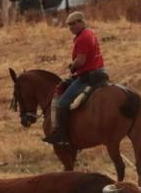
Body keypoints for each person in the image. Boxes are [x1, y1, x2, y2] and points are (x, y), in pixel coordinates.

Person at [43, 11, 107, 145]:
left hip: (87, 76)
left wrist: (72, 66)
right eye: (69, 25)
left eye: (73, 23)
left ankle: (61, 136)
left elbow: (81, 61)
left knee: (62, 103)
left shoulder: (82, 38)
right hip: (99, 71)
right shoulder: (89, 33)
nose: (71, 27)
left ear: (81, 22)